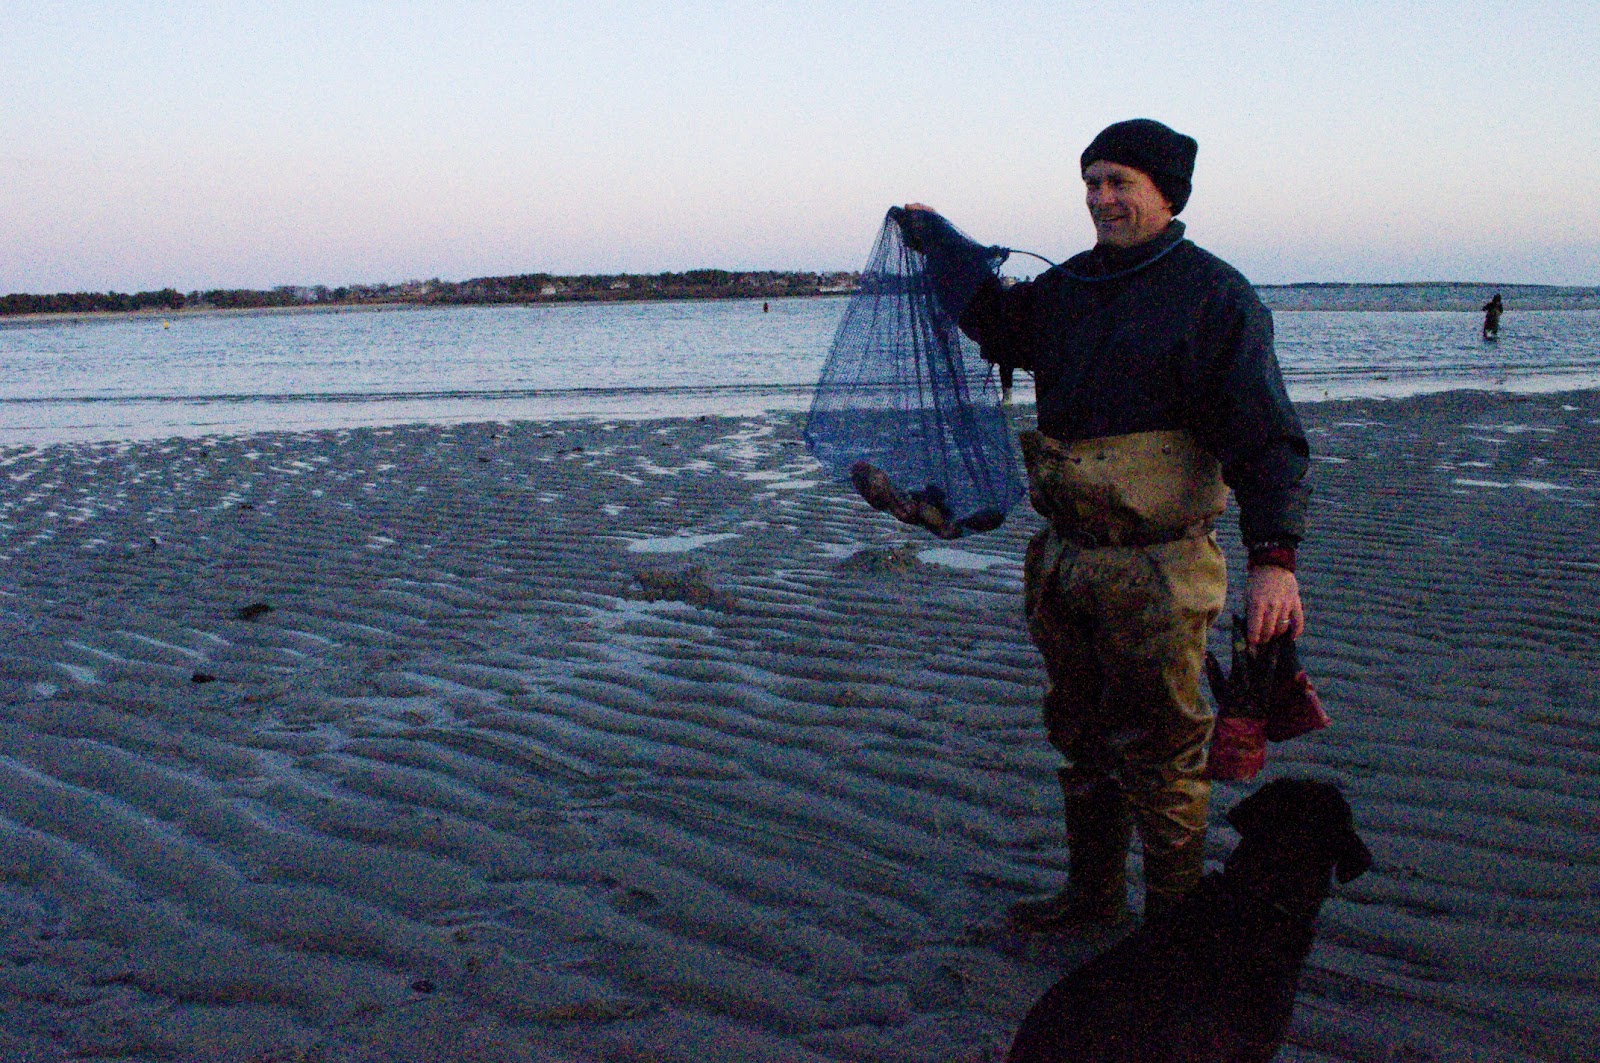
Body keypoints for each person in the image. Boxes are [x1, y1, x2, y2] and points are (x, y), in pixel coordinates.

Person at [900, 119, 1310, 929]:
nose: (1101, 198)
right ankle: (1091, 897)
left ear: (1168, 193)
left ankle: (1174, 929)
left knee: (1162, 750)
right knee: (1081, 736)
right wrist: (940, 246)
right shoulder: (1069, 287)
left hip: (1159, 568)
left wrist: (1274, 558)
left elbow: (1268, 437)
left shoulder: (1216, 298)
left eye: (1120, 181)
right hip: (1067, 561)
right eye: (1092, 181)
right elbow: (1002, 325)